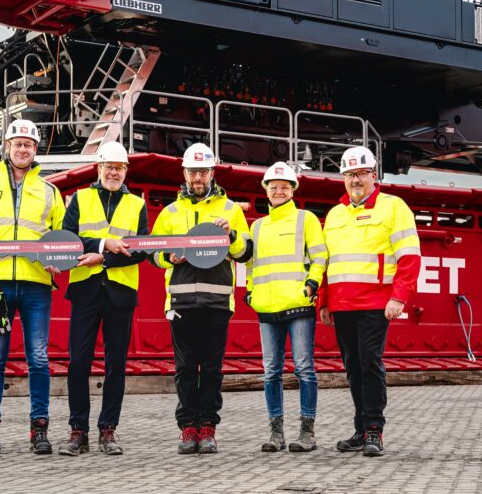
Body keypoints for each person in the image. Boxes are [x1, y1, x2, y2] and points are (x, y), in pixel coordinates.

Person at [0, 119, 67, 455]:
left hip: (36, 283)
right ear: (7, 148)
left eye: (29, 145)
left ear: (36, 150)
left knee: (38, 357)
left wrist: (58, 261)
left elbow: (62, 238)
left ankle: (39, 430)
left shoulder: (50, 192)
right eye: (17, 144)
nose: (23, 149)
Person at [317, 146, 420, 457]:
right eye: (350, 174)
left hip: (376, 303)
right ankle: (361, 430)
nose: (355, 180)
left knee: (369, 364)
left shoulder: (393, 207)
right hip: (342, 305)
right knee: (353, 368)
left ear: (373, 176)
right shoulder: (335, 214)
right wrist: (324, 302)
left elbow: (409, 257)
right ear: (343, 179)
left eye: (361, 173)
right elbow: (326, 262)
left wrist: (399, 297)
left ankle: (374, 430)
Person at [151, 143, 251, 454]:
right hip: (181, 302)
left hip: (217, 302)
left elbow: (246, 252)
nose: (198, 177)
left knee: (211, 369)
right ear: (184, 173)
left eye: (203, 171)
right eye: (193, 171)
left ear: (212, 173)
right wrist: (170, 256)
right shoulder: (170, 212)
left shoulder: (231, 210)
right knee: (183, 369)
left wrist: (231, 234)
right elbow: (153, 254)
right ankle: (187, 429)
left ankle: (207, 427)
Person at [57, 141, 150, 456]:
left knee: (116, 365)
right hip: (85, 292)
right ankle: (77, 431)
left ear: (126, 171)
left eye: (119, 167)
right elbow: (68, 240)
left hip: (120, 294)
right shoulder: (80, 199)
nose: (113, 172)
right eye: (108, 166)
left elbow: (141, 249)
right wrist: (101, 244)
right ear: (99, 169)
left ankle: (108, 430)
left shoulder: (137, 204)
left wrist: (105, 260)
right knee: (78, 363)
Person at [245, 161, 327, 453]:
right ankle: (276, 432)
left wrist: (312, 284)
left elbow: (319, 257)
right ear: (266, 190)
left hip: (297, 304)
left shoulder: (306, 219)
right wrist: (251, 292)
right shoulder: (257, 226)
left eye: (284, 186)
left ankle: (307, 432)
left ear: (293, 190)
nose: (278, 191)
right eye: (273, 187)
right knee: (271, 372)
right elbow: (252, 267)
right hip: (267, 307)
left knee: (304, 369)